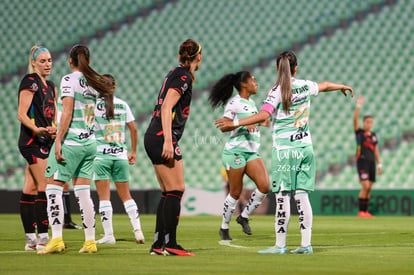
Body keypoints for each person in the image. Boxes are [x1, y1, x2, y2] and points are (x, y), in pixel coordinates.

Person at [215, 51, 353, 254]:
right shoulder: (305, 85)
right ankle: (306, 245)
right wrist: (341, 86)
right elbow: (323, 85)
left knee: (282, 197)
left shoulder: (277, 90)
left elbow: (264, 115)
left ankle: (280, 245)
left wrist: (235, 122)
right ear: (295, 68)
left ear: (278, 69)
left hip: (285, 151)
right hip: (306, 148)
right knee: (302, 196)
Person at [38, 45, 115, 254]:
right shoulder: (93, 82)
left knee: (52, 188)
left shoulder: (68, 80)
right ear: (88, 61)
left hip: (72, 142)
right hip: (90, 144)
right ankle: (90, 242)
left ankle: (56, 239)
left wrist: (59, 139)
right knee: (82, 192)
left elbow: (68, 111)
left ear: (70, 61)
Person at [144, 39, 202, 256]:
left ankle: (158, 244)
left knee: (168, 192)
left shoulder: (175, 73)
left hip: (154, 135)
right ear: (199, 57)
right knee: (176, 190)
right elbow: (167, 106)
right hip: (161, 136)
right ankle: (171, 244)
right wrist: (168, 141)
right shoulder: (183, 76)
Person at [208, 71, 270, 241]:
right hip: (235, 151)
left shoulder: (251, 104)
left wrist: (265, 118)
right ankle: (224, 227)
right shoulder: (234, 103)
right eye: (253, 80)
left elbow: (261, 121)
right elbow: (224, 126)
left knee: (264, 186)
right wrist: (245, 125)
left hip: (251, 151)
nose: (256, 83)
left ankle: (243, 216)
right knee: (235, 192)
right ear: (244, 84)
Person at [93, 74, 144, 244]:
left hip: (101, 156)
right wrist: (133, 152)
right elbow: (134, 130)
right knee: (126, 196)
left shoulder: (94, 107)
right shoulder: (123, 105)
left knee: (104, 198)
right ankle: (138, 230)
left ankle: (109, 235)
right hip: (121, 155)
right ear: (114, 87)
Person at [17, 46, 57, 251]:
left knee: (30, 188)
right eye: (42, 61)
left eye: (49, 60)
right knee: (45, 186)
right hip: (32, 142)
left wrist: (54, 129)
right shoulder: (29, 82)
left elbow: (53, 115)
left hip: (45, 141)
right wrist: (37, 129)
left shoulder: (51, 86)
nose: (47, 64)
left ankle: (30, 240)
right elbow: (22, 114)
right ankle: (42, 238)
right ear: (33, 63)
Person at [353, 95, 382, 218]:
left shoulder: (374, 136)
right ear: (364, 123)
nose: (369, 124)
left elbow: (376, 151)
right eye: (367, 122)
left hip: (371, 163)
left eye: (371, 122)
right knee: (365, 186)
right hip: (362, 161)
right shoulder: (360, 133)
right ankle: (361, 211)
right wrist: (358, 106)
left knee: (369, 187)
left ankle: (365, 211)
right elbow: (355, 120)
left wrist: (379, 163)